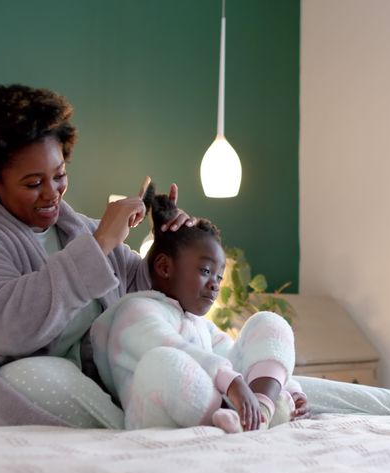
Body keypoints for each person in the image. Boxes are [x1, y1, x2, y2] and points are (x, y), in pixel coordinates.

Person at [0, 84, 390, 429]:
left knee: (257, 363)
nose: (53, 195)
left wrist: (171, 247)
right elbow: (8, 327)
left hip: (115, 372)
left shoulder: (73, 227)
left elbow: (141, 302)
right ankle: (184, 418)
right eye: (33, 184)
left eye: (60, 176)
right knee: (39, 374)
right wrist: (102, 243)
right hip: (11, 382)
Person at [91, 185, 299, 432]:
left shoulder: (196, 322)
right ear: (165, 267)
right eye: (205, 271)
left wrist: (288, 388)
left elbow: (233, 356)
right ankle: (235, 417)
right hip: (161, 410)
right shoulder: (135, 311)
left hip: (221, 407)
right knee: (164, 361)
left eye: (219, 277)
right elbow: (174, 348)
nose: (215, 284)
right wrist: (232, 381)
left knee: (269, 322)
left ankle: (261, 411)